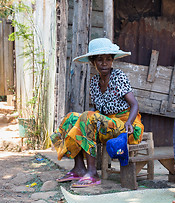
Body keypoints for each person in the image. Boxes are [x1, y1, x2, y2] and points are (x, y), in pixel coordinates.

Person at [50, 38, 144, 188]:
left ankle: (92, 172)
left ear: (112, 61)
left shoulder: (118, 77)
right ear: (93, 62)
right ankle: (79, 168)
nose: (104, 63)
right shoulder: (94, 82)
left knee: (87, 116)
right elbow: (97, 109)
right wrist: (81, 119)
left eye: (108, 59)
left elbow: (134, 105)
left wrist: (129, 122)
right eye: (100, 60)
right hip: (105, 124)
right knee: (71, 118)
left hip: (126, 126)